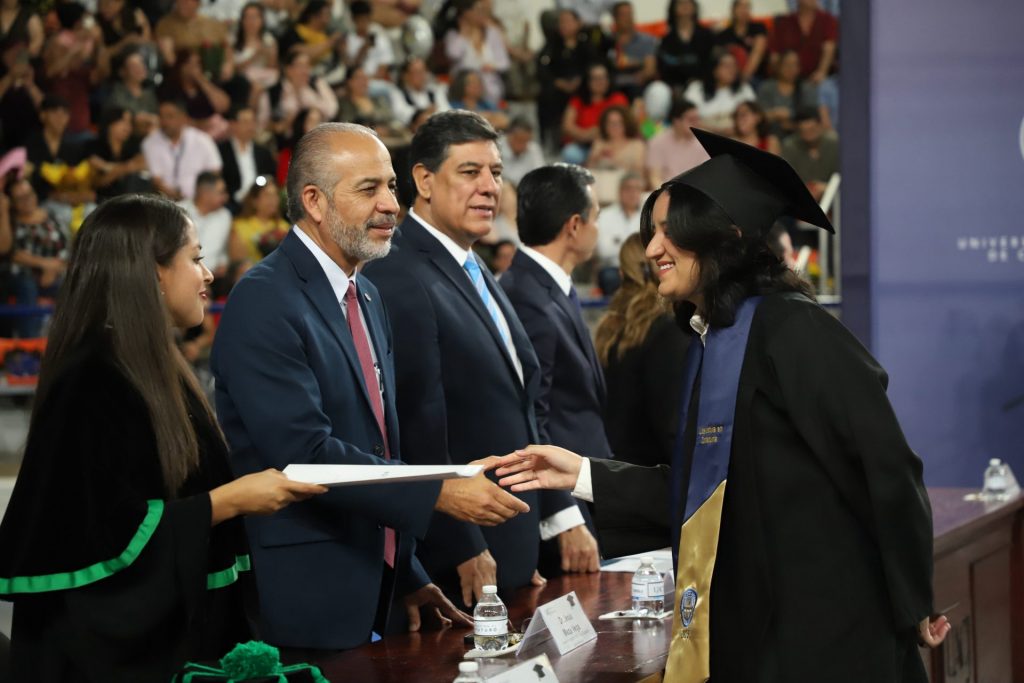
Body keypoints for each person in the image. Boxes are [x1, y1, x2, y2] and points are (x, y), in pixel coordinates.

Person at [495, 130, 950, 682]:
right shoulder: (709, 344)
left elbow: (886, 466)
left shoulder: (797, 331)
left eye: (670, 231)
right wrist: (582, 473)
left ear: (726, 237)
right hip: (753, 626)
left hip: (829, 631)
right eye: (652, 232)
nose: (653, 249)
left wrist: (914, 599)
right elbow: (702, 495)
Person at [211, 122, 527, 654]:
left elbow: (376, 445)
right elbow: (304, 454)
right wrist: (438, 491)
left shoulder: (369, 296)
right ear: (314, 201)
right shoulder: (263, 299)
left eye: (391, 186)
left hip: (376, 584)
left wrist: (405, 573)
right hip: (308, 593)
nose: (390, 205)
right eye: (368, 189)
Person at [0, 194, 325, 682]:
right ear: (153, 273)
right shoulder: (91, 379)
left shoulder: (152, 365)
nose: (208, 274)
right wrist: (229, 501)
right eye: (195, 258)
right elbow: (102, 537)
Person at [363, 110, 594, 608]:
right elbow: (416, 428)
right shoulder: (398, 271)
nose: (489, 187)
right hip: (461, 560)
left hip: (513, 541)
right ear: (424, 180)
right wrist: (460, 544)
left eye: (495, 172)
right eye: (470, 172)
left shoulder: (475, 265)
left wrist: (555, 518)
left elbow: (522, 407)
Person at [499, 163, 608, 574]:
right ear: (574, 226)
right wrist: (565, 517)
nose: (598, 228)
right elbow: (532, 416)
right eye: (596, 216)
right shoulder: (527, 297)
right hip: (562, 505)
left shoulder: (547, 288)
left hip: (582, 490)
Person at [594, 233, 690, 466]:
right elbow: (671, 420)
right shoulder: (666, 329)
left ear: (622, 273)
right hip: (652, 469)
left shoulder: (608, 327)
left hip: (614, 462)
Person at [142, 97, 223, 201]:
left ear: (183, 118)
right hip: (165, 201)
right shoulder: (150, 143)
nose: (164, 121)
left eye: (170, 116)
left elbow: (215, 171)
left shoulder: (202, 140)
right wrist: (174, 197)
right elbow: (156, 179)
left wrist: (201, 197)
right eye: (161, 116)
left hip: (200, 201)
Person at [757, 48, 828, 138]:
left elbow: (812, 116)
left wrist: (791, 119)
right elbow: (759, 116)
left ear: (799, 68)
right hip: (770, 135)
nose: (790, 68)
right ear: (779, 66)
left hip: (801, 136)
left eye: (794, 64)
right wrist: (776, 114)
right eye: (787, 64)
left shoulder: (806, 88)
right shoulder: (767, 87)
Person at [218, 104, 276, 212]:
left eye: (252, 121)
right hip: (231, 206)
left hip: (259, 206)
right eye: (245, 122)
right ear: (233, 124)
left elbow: (270, 177)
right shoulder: (221, 151)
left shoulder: (263, 152)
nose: (250, 126)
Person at [682, 50, 755, 135]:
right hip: (700, 136)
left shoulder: (744, 89)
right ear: (714, 70)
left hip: (736, 137)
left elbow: (752, 118)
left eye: (734, 66)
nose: (732, 70)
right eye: (726, 66)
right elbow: (686, 118)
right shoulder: (696, 88)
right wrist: (718, 131)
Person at [86, 106, 151, 201]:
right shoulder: (94, 146)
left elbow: (143, 165)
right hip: (99, 199)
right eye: (123, 121)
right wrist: (127, 167)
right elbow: (97, 182)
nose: (127, 126)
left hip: (129, 197)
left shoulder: (133, 147)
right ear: (110, 123)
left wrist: (107, 166)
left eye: (130, 122)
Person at [179, 171, 232, 281]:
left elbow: (223, 250)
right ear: (205, 193)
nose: (226, 197)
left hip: (216, 277)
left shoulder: (225, 216)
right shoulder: (178, 211)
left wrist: (223, 262)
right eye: (221, 192)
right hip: (184, 274)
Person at [645, 98, 709, 189]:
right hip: (666, 191)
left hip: (697, 192)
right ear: (676, 121)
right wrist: (665, 194)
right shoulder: (657, 142)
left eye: (698, 119)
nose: (697, 123)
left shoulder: (704, 142)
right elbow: (654, 177)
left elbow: (707, 176)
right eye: (691, 119)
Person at [781, 107, 838, 202]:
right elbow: (786, 179)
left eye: (812, 130)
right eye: (803, 131)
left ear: (820, 125)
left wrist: (826, 187)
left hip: (834, 198)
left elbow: (845, 178)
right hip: (800, 199)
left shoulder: (835, 143)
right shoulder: (790, 146)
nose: (808, 135)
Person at [655, 0, 715, 90]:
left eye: (688, 3)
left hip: (703, 84)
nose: (685, 6)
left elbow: (711, 63)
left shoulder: (707, 35)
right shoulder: (667, 39)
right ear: (674, 8)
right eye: (681, 3)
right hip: (676, 86)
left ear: (694, 7)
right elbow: (664, 68)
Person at [228, 175, 288, 263]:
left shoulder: (284, 227)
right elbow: (237, 264)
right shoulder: (239, 227)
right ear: (254, 200)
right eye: (267, 195)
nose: (272, 200)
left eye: (275, 195)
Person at [605, 1, 656, 99]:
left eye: (630, 14)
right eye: (623, 15)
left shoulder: (646, 40)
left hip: (638, 84)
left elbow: (650, 69)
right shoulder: (607, 41)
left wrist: (640, 75)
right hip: (611, 85)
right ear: (615, 18)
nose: (628, 18)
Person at [595, 171, 644, 271]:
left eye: (637, 189)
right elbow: (603, 250)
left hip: (641, 268)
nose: (632, 193)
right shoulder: (604, 215)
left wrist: (618, 242)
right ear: (620, 191)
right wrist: (635, 248)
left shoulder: (648, 216)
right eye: (628, 188)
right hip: (614, 268)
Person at [715, 0, 767, 83]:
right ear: (733, 10)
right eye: (740, 7)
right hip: (730, 78)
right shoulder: (724, 34)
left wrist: (744, 78)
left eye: (747, 7)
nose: (744, 10)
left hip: (755, 76)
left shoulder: (758, 28)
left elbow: (758, 53)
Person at [497, 118, 544, 188]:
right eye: (520, 140)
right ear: (510, 136)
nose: (524, 145)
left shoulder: (533, 149)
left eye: (527, 141)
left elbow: (540, 175)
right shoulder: (496, 147)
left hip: (526, 189)